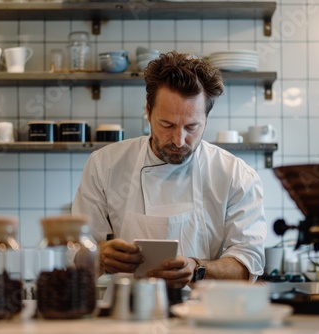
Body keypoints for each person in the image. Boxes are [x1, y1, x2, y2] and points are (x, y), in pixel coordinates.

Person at [72, 51, 266, 290]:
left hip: (206, 315)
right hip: (131, 312)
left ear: (206, 117)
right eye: (167, 125)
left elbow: (249, 264)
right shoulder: (105, 165)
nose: (178, 140)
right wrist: (99, 256)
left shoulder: (235, 175)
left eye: (192, 127)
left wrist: (198, 269)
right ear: (148, 111)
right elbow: (76, 255)